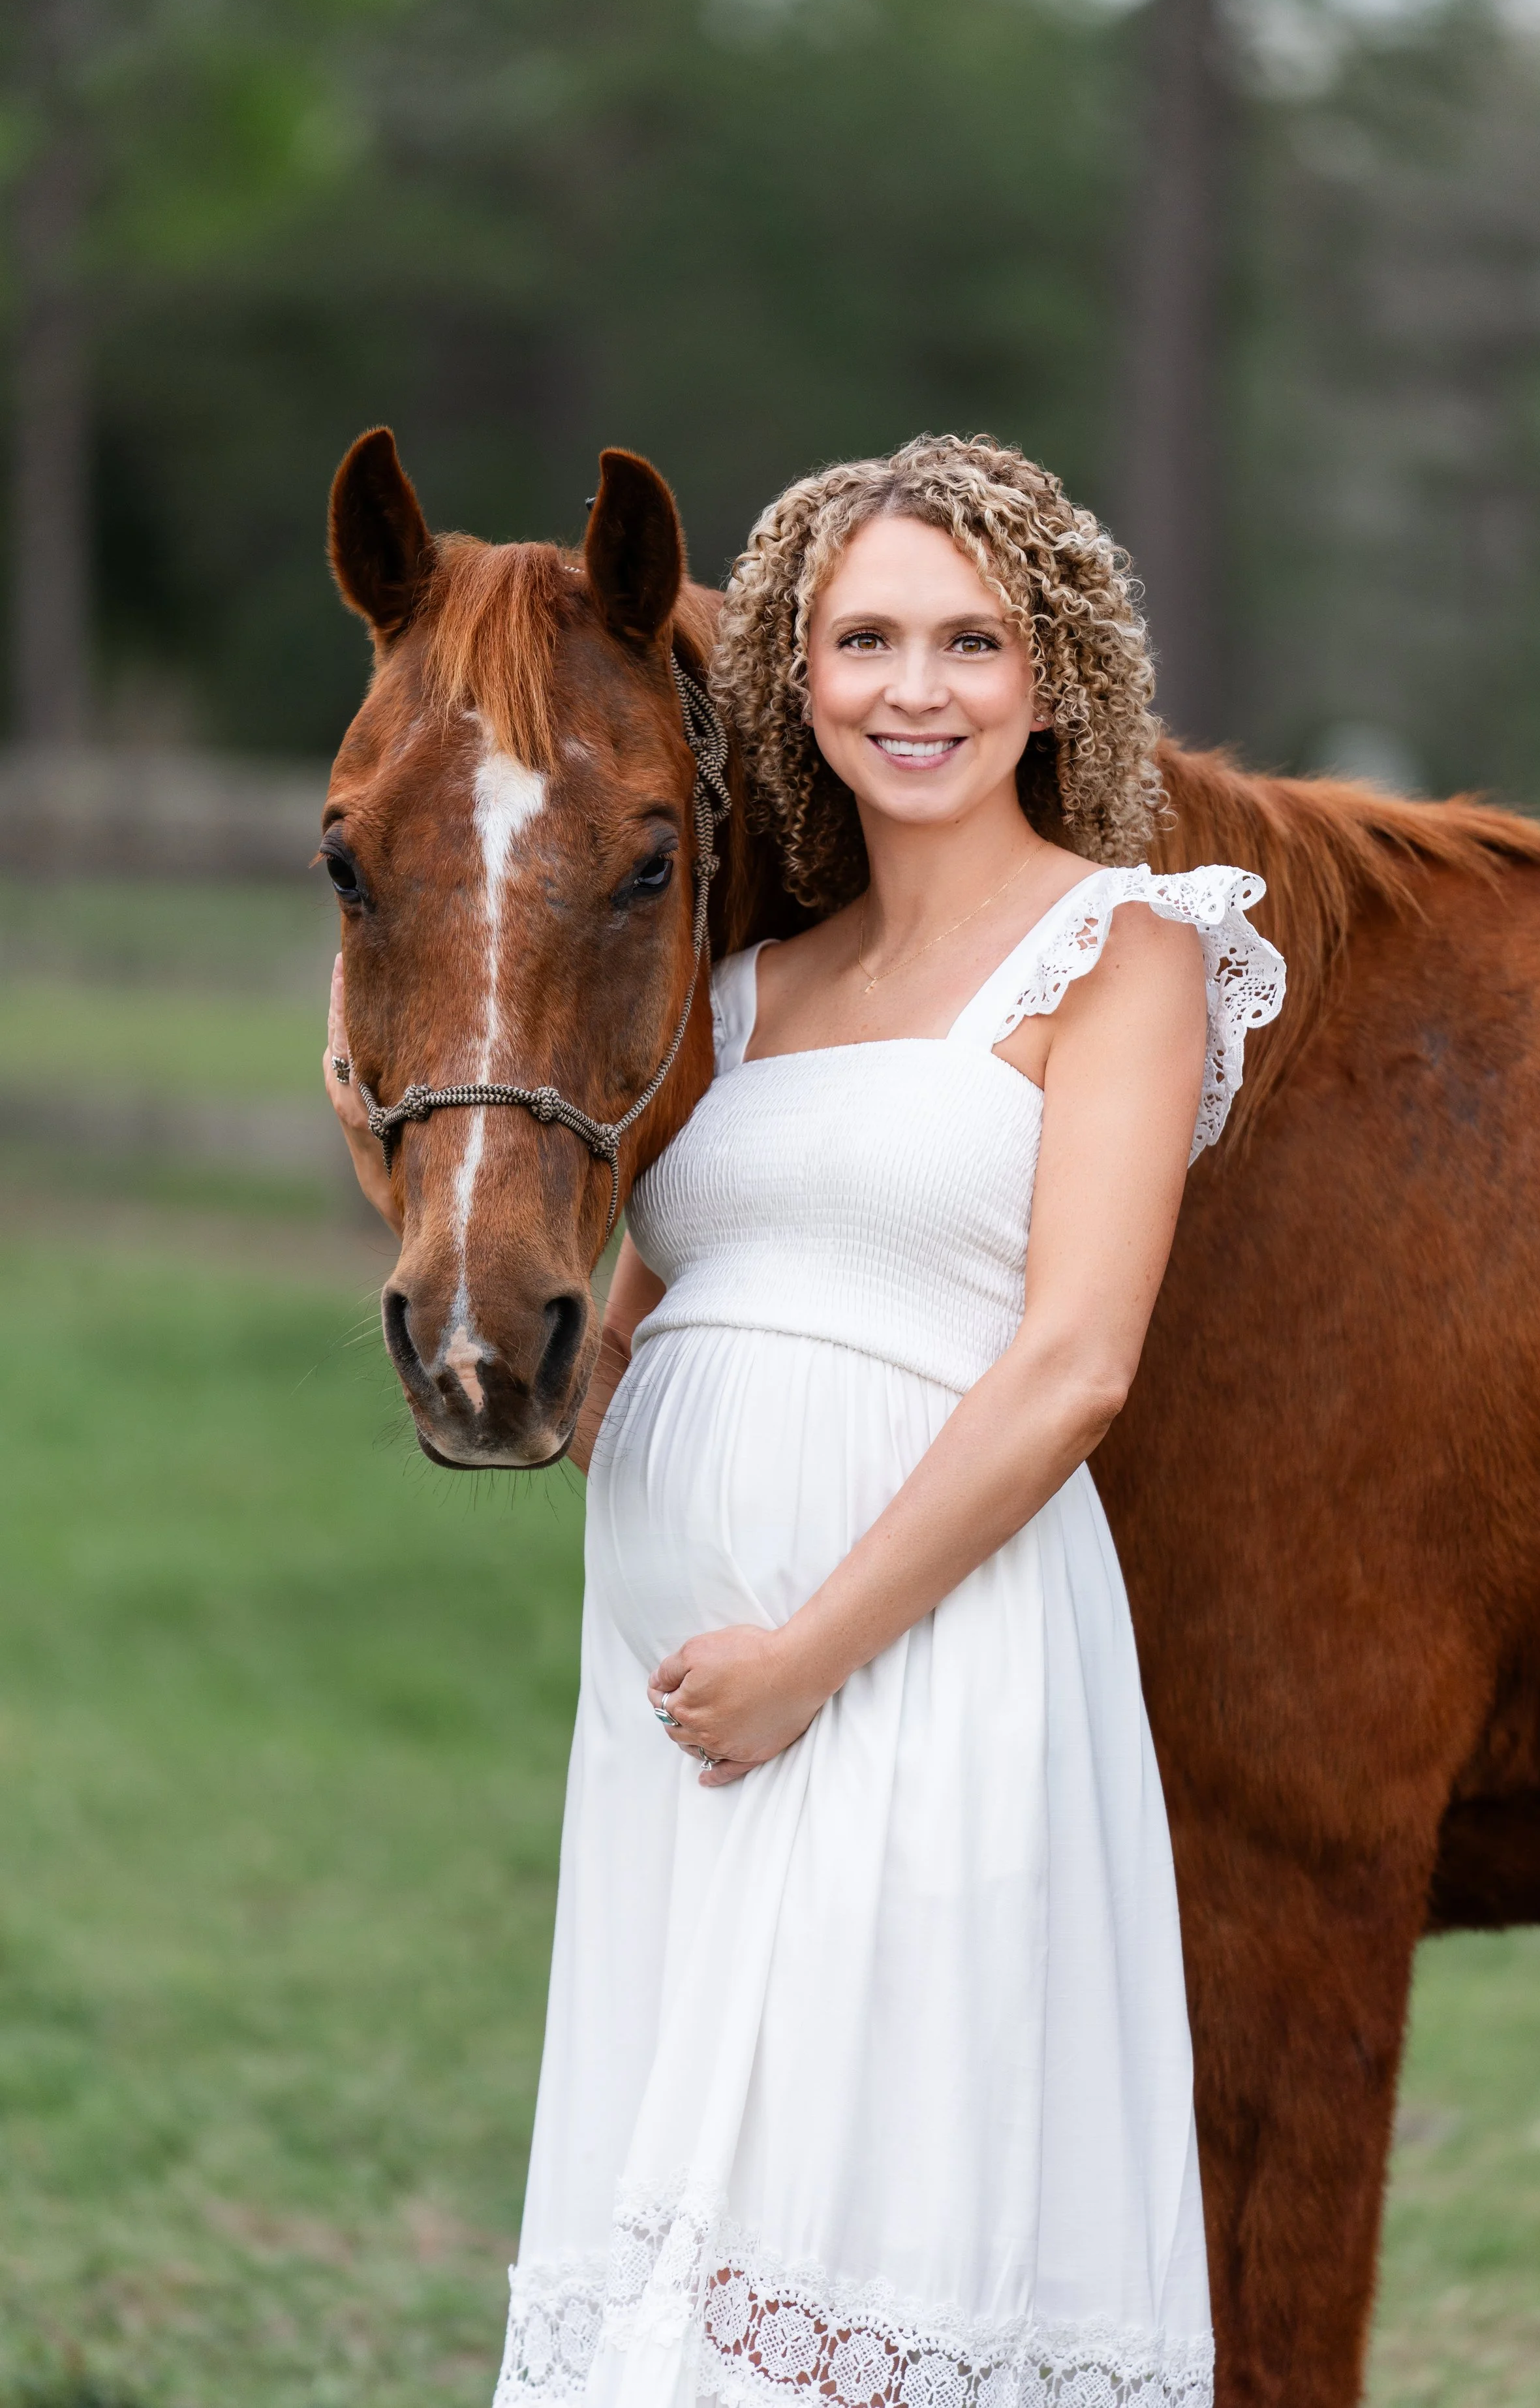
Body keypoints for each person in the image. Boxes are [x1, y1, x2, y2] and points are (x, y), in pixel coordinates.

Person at [330, 434, 1285, 2408]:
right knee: (683, 2281)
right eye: (863, 638)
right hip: (683, 1724)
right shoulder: (744, 991)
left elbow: (1074, 1365)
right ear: (794, 672)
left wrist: (801, 1660)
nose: (911, 688)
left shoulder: (1129, 952)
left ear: (1053, 675)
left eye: (968, 640)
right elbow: (646, 1358)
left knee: (868, 2252)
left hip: (915, 1681)